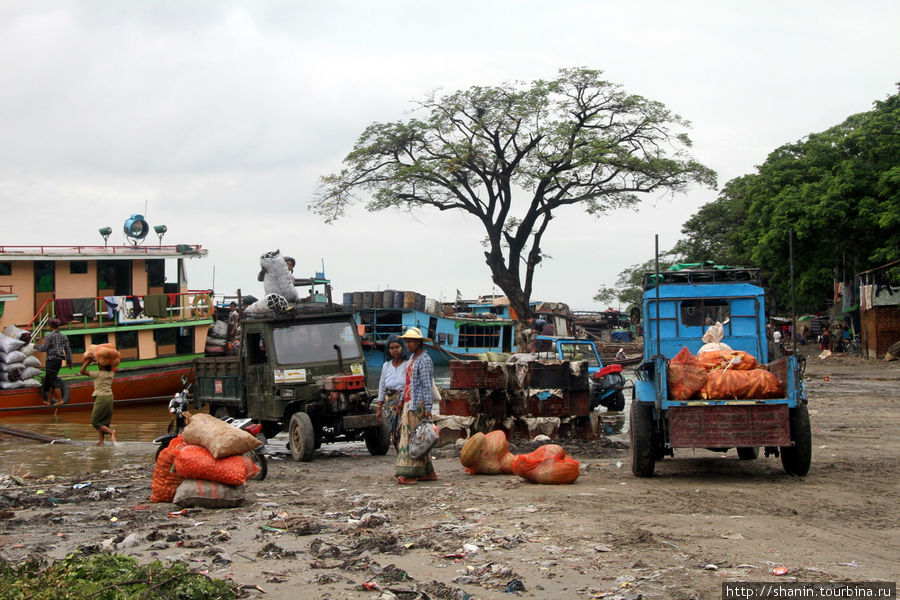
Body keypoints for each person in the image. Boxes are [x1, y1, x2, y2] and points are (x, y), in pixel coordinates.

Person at [395, 327, 437, 484]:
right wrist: (401, 400)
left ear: (419, 342)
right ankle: (428, 472)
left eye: (411, 341)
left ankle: (411, 475)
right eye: (407, 341)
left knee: (413, 439)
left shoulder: (424, 360)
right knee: (418, 438)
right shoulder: (412, 358)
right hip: (408, 401)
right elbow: (407, 383)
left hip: (417, 404)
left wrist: (427, 409)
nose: (408, 344)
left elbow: (427, 387)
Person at [375, 335, 408, 451]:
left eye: (397, 347)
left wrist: (402, 400)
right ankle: (400, 454)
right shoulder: (386, 366)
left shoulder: (407, 365)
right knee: (393, 431)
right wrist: (379, 408)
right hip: (390, 402)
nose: (394, 350)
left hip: (403, 400)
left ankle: (405, 455)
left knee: (403, 428)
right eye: (391, 348)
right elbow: (382, 386)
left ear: (402, 348)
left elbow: (408, 385)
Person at [79, 356, 116, 445]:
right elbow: (114, 366)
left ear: (102, 366)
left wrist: (88, 361)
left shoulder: (98, 374)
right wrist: (99, 360)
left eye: (99, 364)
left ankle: (111, 432)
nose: (98, 365)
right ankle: (101, 441)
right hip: (110, 397)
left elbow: (82, 371)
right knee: (103, 421)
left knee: (95, 422)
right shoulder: (111, 373)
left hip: (101, 398)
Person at [34, 318, 72, 405]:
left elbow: (44, 348)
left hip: (51, 360)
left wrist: (35, 346)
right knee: (49, 380)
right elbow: (68, 350)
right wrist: (69, 361)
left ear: (50, 326)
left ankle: (60, 400)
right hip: (58, 361)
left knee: (53, 380)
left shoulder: (49, 336)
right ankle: (48, 400)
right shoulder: (63, 336)